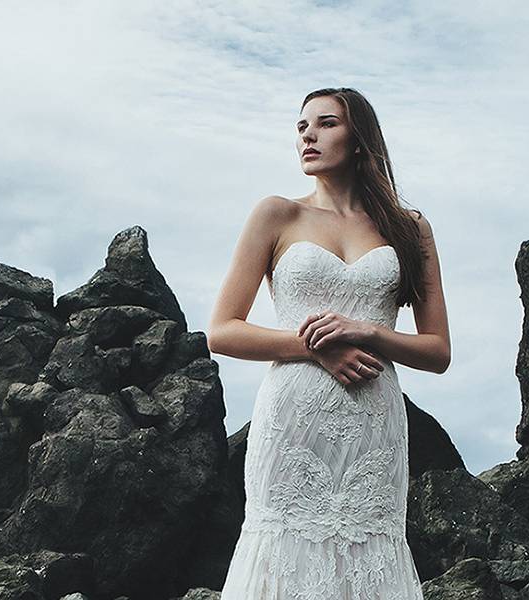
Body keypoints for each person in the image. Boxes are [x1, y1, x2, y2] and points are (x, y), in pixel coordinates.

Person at [208, 86, 450, 599]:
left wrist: (370, 333)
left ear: (359, 139)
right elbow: (223, 330)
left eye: (326, 124)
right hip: (293, 421)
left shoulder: (410, 229)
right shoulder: (276, 215)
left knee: (371, 555)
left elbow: (438, 351)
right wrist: (316, 348)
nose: (308, 136)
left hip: (374, 428)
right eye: (301, 127)